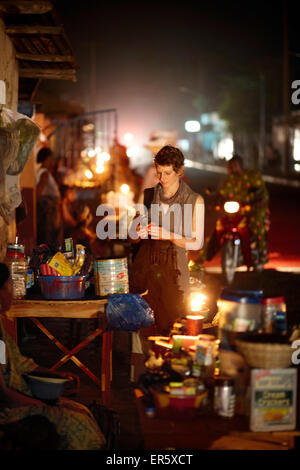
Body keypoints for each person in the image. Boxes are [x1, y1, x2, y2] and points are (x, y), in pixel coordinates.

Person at [0, 263, 106, 450]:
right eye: (9, 286)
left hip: (21, 396)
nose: (12, 291)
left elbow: (19, 364)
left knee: (83, 411)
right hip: (9, 410)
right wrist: (42, 405)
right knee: (78, 424)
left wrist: (55, 375)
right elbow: (3, 393)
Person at [129, 145, 205, 336]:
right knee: (141, 329)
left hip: (175, 275)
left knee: (174, 329)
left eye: (167, 173)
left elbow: (196, 242)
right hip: (145, 273)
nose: (162, 179)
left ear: (180, 171)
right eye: (159, 173)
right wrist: (136, 232)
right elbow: (132, 236)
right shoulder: (148, 196)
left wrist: (168, 234)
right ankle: (141, 365)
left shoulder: (194, 200)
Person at [195, 154, 270, 269]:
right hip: (235, 210)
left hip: (253, 209)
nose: (231, 169)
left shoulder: (253, 176)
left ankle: (261, 253)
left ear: (241, 165)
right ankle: (203, 257)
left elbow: (261, 193)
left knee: (256, 225)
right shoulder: (229, 180)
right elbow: (221, 193)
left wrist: (257, 201)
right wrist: (215, 200)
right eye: (229, 167)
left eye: (234, 166)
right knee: (218, 228)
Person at [36, 147, 62, 249]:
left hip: (49, 211)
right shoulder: (44, 174)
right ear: (46, 159)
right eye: (50, 158)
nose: (52, 161)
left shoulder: (43, 172)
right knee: (49, 238)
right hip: (48, 213)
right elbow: (38, 192)